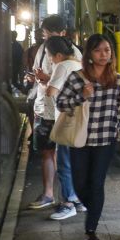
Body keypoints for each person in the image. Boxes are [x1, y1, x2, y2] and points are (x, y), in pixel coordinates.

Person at [56, 34, 120, 240]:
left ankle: (91, 229)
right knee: (80, 183)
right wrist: (82, 96)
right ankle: (94, 209)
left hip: (106, 140)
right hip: (81, 139)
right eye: (98, 50)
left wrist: (117, 131)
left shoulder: (118, 80)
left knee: (96, 183)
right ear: (89, 54)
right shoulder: (77, 78)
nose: (103, 54)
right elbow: (61, 103)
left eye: (107, 50)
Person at [27, 15, 81, 210]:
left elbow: (72, 80)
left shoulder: (72, 53)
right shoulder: (42, 49)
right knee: (47, 151)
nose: (46, 37)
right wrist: (35, 78)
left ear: (62, 33)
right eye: (45, 34)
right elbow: (37, 73)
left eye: (50, 33)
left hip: (63, 112)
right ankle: (49, 194)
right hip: (44, 107)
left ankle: (70, 197)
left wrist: (47, 78)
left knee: (66, 157)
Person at [44, 36, 87, 220]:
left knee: (64, 163)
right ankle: (78, 200)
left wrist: (44, 82)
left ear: (59, 54)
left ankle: (68, 203)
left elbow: (51, 91)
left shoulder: (62, 66)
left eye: (50, 56)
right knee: (77, 162)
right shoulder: (79, 63)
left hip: (65, 118)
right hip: (81, 119)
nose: (50, 59)